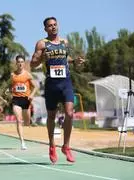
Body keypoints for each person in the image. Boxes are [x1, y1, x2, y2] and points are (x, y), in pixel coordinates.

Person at [30, 17, 85, 164]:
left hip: (66, 82)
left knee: (69, 113)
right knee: (51, 116)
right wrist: (42, 58)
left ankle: (66, 146)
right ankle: (52, 144)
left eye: (55, 25)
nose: (53, 27)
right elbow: (32, 64)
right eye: (50, 26)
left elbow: (66, 58)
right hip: (51, 84)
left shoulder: (64, 42)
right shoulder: (42, 43)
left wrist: (75, 62)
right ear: (45, 29)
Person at [10, 55, 38, 150]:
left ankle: (28, 122)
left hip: (26, 100)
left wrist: (32, 95)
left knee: (26, 122)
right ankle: (22, 142)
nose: (20, 63)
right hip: (16, 100)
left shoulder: (27, 75)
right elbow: (12, 86)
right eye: (19, 62)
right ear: (16, 63)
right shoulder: (12, 75)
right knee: (19, 120)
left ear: (24, 63)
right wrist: (9, 91)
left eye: (22, 62)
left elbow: (35, 87)